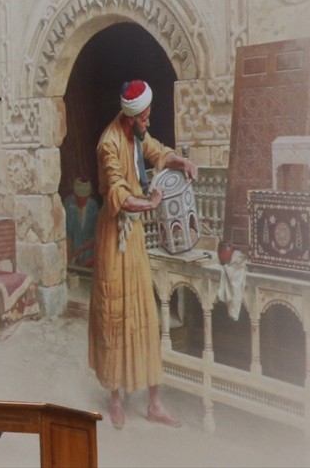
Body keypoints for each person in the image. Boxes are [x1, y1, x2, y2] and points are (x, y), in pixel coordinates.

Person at [88, 80, 198, 429]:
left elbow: (155, 150)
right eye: (146, 118)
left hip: (133, 237)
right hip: (113, 237)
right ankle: (116, 398)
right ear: (131, 116)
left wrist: (181, 162)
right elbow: (118, 194)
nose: (149, 122)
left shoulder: (135, 132)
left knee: (145, 315)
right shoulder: (109, 144)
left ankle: (153, 403)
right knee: (115, 314)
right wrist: (149, 202)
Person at [65, 176, 99, 267]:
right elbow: (68, 234)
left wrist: (80, 250)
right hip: (73, 252)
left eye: (83, 198)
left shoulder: (93, 206)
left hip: (89, 252)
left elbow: (96, 236)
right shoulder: (69, 204)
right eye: (78, 198)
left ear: (88, 196)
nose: (80, 201)